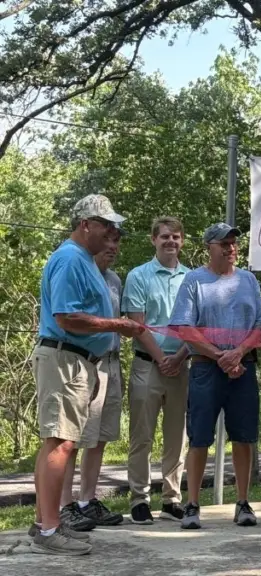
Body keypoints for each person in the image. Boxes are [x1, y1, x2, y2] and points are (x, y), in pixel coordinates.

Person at [29, 194, 144, 556]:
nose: (111, 232)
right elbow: (66, 318)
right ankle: (49, 530)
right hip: (64, 358)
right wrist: (118, 325)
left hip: (77, 361)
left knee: (60, 441)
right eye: (106, 225)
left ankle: (46, 522)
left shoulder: (84, 261)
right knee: (60, 441)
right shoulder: (69, 260)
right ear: (85, 225)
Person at [169, 223, 261, 530]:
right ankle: (193, 504)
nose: (231, 248)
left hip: (243, 368)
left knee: (244, 437)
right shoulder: (194, 281)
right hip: (205, 368)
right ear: (208, 246)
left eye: (234, 243)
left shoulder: (249, 280)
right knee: (199, 438)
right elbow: (184, 328)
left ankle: (243, 502)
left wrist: (237, 353)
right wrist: (219, 355)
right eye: (223, 243)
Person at [123, 216, 191, 525]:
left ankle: (171, 499)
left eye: (176, 237)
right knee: (142, 436)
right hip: (147, 365)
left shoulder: (192, 279)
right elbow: (137, 324)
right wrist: (162, 358)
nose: (170, 241)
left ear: (182, 241)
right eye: (165, 236)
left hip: (182, 364)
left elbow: (196, 327)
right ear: (154, 240)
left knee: (177, 436)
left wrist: (177, 358)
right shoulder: (138, 276)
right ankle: (139, 498)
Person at [60, 226, 126, 529]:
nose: (112, 247)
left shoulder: (114, 280)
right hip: (83, 362)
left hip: (111, 361)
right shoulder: (79, 270)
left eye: (117, 242)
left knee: (99, 437)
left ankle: (87, 500)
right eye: (108, 240)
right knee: (70, 438)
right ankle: (65, 504)